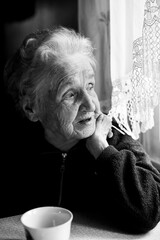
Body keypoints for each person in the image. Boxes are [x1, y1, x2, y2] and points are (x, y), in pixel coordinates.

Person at [3, 26, 160, 233]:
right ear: (32, 108)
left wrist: (102, 151)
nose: (91, 104)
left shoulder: (113, 136)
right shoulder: (13, 148)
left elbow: (150, 212)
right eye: (70, 94)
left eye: (89, 86)